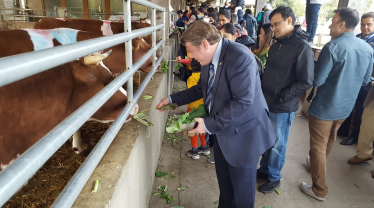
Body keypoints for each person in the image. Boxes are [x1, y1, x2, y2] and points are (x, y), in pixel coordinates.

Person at [156, 20, 275, 208]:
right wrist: (172, 99)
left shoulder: (240, 57)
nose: (191, 57)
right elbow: (202, 88)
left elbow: (243, 101)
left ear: (205, 44)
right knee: (226, 188)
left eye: (192, 52)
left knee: (242, 194)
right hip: (223, 131)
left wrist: (208, 124)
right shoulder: (208, 57)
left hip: (244, 135)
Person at [301, 8, 373, 201]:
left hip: (325, 106)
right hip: (346, 107)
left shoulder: (332, 47)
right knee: (329, 140)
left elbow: (319, 80)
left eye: (333, 21)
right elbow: (366, 79)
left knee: (317, 145)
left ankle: (319, 189)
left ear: (342, 24)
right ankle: (317, 167)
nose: (330, 25)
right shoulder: (368, 49)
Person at [258, 6, 314, 194]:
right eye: (272, 24)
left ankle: (274, 177)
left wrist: (283, 95)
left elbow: (306, 81)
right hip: (266, 101)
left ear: (289, 20)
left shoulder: (302, 47)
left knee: (277, 144)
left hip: (282, 106)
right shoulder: (277, 44)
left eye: (276, 24)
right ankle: (264, 169)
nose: (273, 28)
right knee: (267, 139)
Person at [339, 12, 374, 146]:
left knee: (360, 109)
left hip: (366, 81)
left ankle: (355, 136)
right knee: (347, 105)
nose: (365, 27)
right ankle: (343, 130)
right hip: (351, 79)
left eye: (369, 24)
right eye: (363, 24)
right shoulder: (357, 37)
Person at [185, 58, 211, 159]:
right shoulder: (206, 76)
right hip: (203, 107)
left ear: (192, 67)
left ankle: (194, 150)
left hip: (192, 108)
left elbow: (191, 93)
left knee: (192, 129)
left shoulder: (191, 78)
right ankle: (205, 147)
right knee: (202, 127)